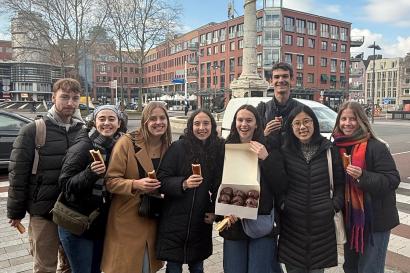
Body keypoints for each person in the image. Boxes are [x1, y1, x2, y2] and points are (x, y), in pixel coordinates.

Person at [7, 78, 84, 273]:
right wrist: (15, 212)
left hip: (73, 210)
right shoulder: (33, 130)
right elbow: (18, 173)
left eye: (75, 98)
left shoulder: (82, 131)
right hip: (44, 210)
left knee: (70, 265)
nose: (70, 103)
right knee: (45, 266)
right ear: (53, 97)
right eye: (64, 97)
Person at [101, 101, 172, 273]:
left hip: (154, 217)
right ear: (145, 121)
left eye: (162, 118)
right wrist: (135, 184)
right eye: (152, 118)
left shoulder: (169, 146)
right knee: (128, 267)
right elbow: (110, 181)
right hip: (127, 218)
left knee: (147, 267)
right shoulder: (127, 142)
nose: (158, 122)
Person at [332, 101, 400, 273]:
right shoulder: (336, 148)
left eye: (352, 119)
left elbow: (392, 180)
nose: (347, 123)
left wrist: (363, 176)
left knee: (370, 268)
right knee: (351, 267)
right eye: (343, 119)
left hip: (375, 221)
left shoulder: (376, 146)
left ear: (361, 120)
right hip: (350, 222)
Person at [156, 109, 224, 273]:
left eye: (206, 123)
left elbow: (221, 185)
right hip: (174, 220)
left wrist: (216, 212)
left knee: (197, 267)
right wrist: (183, 184)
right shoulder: (178, 147)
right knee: (173, 268)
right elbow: (161, 180)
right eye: (197, 123)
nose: (202, 128)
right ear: (190, 126)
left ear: (213, 126)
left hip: (201, 223)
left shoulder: (219, 150)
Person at [278, 105, 344, 273]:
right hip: (292, 226)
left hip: (322, 226)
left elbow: (340, 184)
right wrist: (283, 204)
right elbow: (277, 184)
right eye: (297, 123)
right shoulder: (285, 151)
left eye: (307, 121)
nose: (302, 127)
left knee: (317, 270)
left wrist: (333, 206)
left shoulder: (329, 150)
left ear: (314, 123)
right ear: (291, 127)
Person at [57, 105, 123, 273]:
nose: (106, 123)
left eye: (111, 119)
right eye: (102, 119)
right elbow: (65, 185)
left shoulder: (118, 147)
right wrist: (90, 173)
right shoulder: (82, 147)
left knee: (96, 269)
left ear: (119, 122)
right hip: (77, 224)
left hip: (98, 223)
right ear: (94, 122)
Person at [221, 104, 285, 273]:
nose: (244, 124)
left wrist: (266, 159)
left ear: (257, 124)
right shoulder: (226, 147)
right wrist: (223, 211)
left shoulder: (269, 148)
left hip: (261, 222)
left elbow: (280, 185)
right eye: (240, 120)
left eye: (249, 120)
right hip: (233, 223)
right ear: (235, 122)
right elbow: (216, 184)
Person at [256, 62, 301, 149]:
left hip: (293, 161)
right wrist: (265, 133)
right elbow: (253, 141)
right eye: (276, 77)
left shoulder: (301, 110)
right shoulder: (261, 110)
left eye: (285, 76)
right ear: (271, 81)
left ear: (291, 80)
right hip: (269, 160)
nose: (280, 80)